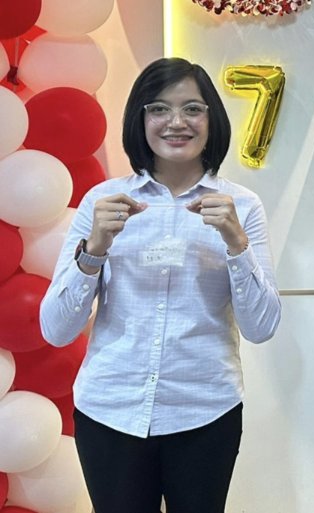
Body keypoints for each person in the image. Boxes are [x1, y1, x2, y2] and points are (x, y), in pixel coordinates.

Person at [40, 57, 281, 513]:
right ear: (140, 118)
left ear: (212, 118)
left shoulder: (242, 206)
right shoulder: (102, 202)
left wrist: (236, 243)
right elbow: (56, 329)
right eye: (159, 109)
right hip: (110, 409)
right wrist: (94, 249)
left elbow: (262, 326)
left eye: (192, 108)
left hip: (205, 410)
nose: (176, 122)